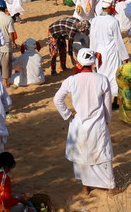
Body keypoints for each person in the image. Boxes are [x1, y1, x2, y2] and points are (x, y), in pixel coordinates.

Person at [53, 48, 118, 194]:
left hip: (78, 124)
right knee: (103, 154)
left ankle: (86, 186)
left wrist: (67, 113)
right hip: (97, 123)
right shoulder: (102, 79)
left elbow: (57, 99)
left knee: (81, 155)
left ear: (79, 62)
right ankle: (110, 187)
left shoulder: (71, 80)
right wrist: (107, 120)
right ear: (93, 62)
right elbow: (107, 104)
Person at [89, 0, 129, 93]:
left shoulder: (94, 20)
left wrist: (92, 55)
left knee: (101, 75)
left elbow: (92, 39)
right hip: (111, 53)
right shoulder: (113, 21)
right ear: (109, 8)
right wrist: (124, 56)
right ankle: (113, 97)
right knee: (113, 76)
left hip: (98, 53)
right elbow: (118, 41)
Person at [0, 0, 17, 87]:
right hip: (5, 45)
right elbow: (11, 33)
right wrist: (13, 43)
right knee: (6, 65)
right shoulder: (9, 19)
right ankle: (5, 83)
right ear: (5, 8)